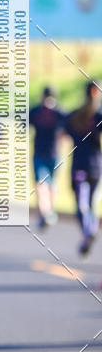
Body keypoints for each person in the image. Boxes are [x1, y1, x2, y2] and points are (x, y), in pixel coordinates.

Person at [64, 81, 102, 256]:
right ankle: (90, 231)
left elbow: (62, 133)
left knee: (82, 204)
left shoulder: (74, 116)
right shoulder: (97, 115)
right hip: (95, 166)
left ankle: (88, 232)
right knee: (91, 203)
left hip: (80, 165)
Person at [29, 86, 65, 228]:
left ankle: (46, 212)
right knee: (48, 184)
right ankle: (48, 212)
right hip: (51, 153)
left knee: (43, 184)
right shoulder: (59, 112)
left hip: (44, 153)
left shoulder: (37, 111)